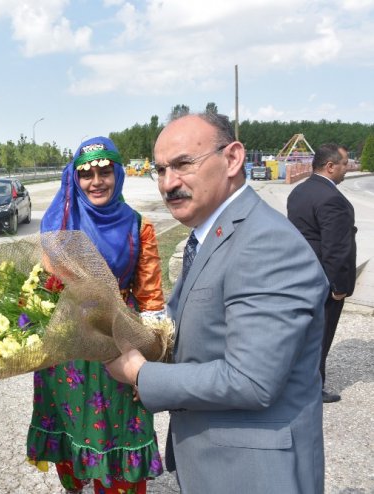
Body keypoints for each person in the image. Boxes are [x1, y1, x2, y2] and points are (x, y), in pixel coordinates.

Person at [105, 113, 328, 493]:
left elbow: (251, 380)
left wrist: (140, 374)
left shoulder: (265, 243)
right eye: (160, 170)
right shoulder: (212, 234)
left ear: (233, 158)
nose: (168, 183)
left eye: (183, 164)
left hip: (253, 473)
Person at [27, 136, 166, 493]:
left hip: (117, 344)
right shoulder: (59, 223)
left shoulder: (139, 226)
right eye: (88, 175)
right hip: (67, 348)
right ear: (75, 179)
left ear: (118, 175)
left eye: (105, 172)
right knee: (71, 430)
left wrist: (150, 362)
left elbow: (150, 300)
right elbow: (43, 287)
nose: (97, 182)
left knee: (118, 430)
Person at [286, 143, 357, 403]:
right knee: (321, 335)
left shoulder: (299, 191)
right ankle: (312, 388)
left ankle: (295, 380)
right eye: (344, 164)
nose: (347, 169)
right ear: (330, 166)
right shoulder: (332, 199)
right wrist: (339, 286)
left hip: (299, 275)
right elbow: (335, 249)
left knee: (304, 334)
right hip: (324, 281)